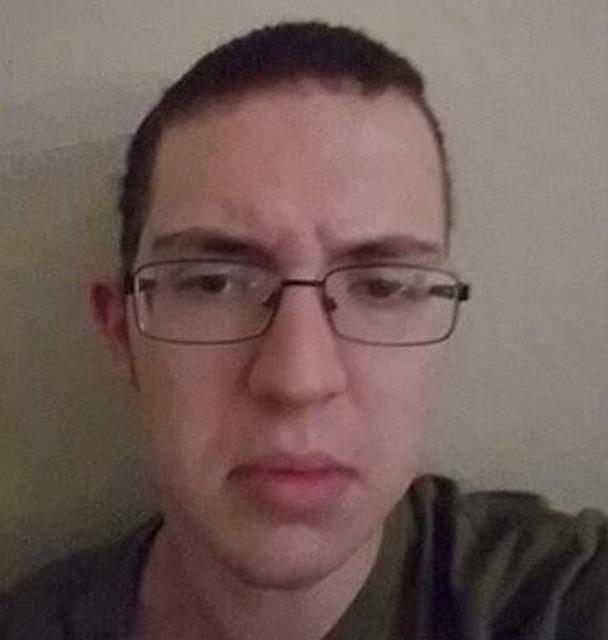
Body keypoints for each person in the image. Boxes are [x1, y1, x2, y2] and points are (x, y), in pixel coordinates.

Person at [0, 20, 606, 640]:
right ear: (122, 332)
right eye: (213, 283)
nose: (299, 380)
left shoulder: (561, 601)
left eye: (382, 286)